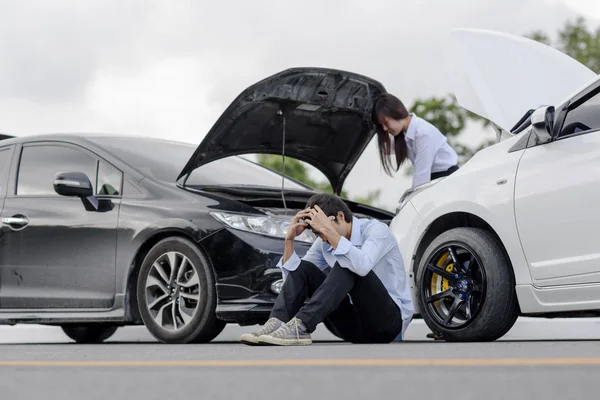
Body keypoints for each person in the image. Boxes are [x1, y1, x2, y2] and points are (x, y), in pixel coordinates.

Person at [239, 193, 414, 346]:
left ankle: (301, 326)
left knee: (348, 264)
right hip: (352, 328)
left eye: (322, 230)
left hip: (387, 325)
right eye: (317, 233)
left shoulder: (376, 231)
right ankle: (276, 323)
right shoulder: (324, 242)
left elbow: (362, 265)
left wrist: (329, 231)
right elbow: (296, 280)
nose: (322, 238)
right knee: (305, 267)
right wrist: (289, 241)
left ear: (339, 216)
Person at [372, 93, 459, 188]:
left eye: (386, 122)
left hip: (447, 179)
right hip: (435, 179)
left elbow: (421, 177)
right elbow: (386, 149)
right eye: (381, 125)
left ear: (397, 111)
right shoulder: (404, 134)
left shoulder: (423, 134)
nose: (384, 128)